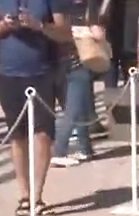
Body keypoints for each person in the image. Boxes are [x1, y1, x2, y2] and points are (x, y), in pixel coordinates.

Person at [0, 0, 74, 216]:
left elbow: (64, 32)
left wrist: (39, 26)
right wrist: (3, 26)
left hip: (43, 73)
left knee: (43, 134)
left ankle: (36, 198)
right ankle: (24, 197)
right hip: (8, 74)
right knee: (17, 135)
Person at [52, 0, 105, 166]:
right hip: (80, 64)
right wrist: (94, 31)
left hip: (61, 64)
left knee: (81, 107)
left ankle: (85, 148)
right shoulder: (87, 10)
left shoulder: (59, 9)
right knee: (73, 110)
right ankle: (59, 151)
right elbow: (98, 34)